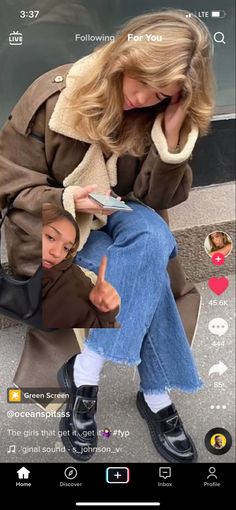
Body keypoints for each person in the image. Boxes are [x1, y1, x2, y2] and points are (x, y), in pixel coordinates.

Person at [0, 9, 215, 463]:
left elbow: (158, 197)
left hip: (120, 211)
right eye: (141, 83)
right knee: (150, 265)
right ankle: (155, 395)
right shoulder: (53, 97)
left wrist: (170, 140)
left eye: (161, 95)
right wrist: (69, 199)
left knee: (151, 235)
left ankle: (85, 375)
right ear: (124, 57)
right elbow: (9, 181)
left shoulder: (157, 112)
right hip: (62, 221)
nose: (143, 98)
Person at [42, 203, 120, 328]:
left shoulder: (74, 283)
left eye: (66, 248)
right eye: (50, 237)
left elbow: (107, 328)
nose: (56, 253)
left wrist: (105, 311)